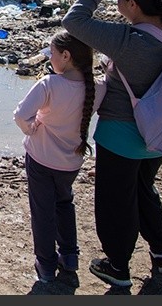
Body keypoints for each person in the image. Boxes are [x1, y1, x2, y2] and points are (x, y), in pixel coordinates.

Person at [61, 0, 162, 288]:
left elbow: (73, 20)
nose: (117, 4)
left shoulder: (128, 40)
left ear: (134, 6)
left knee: (116, 201)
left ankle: (117, 266)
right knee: (144, 190)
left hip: (122, 135)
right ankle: (161, 256)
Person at [13, 30, 106, 283]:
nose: (49, 58)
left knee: (43, 211)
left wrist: (30, 129)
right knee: (65, 204)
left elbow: (21, 116)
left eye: (52, 53)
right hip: (71, 162)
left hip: (41, 159)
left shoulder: (50, 84)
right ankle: (69, 256)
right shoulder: (98, 88)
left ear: (66, 56)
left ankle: (45, 265)